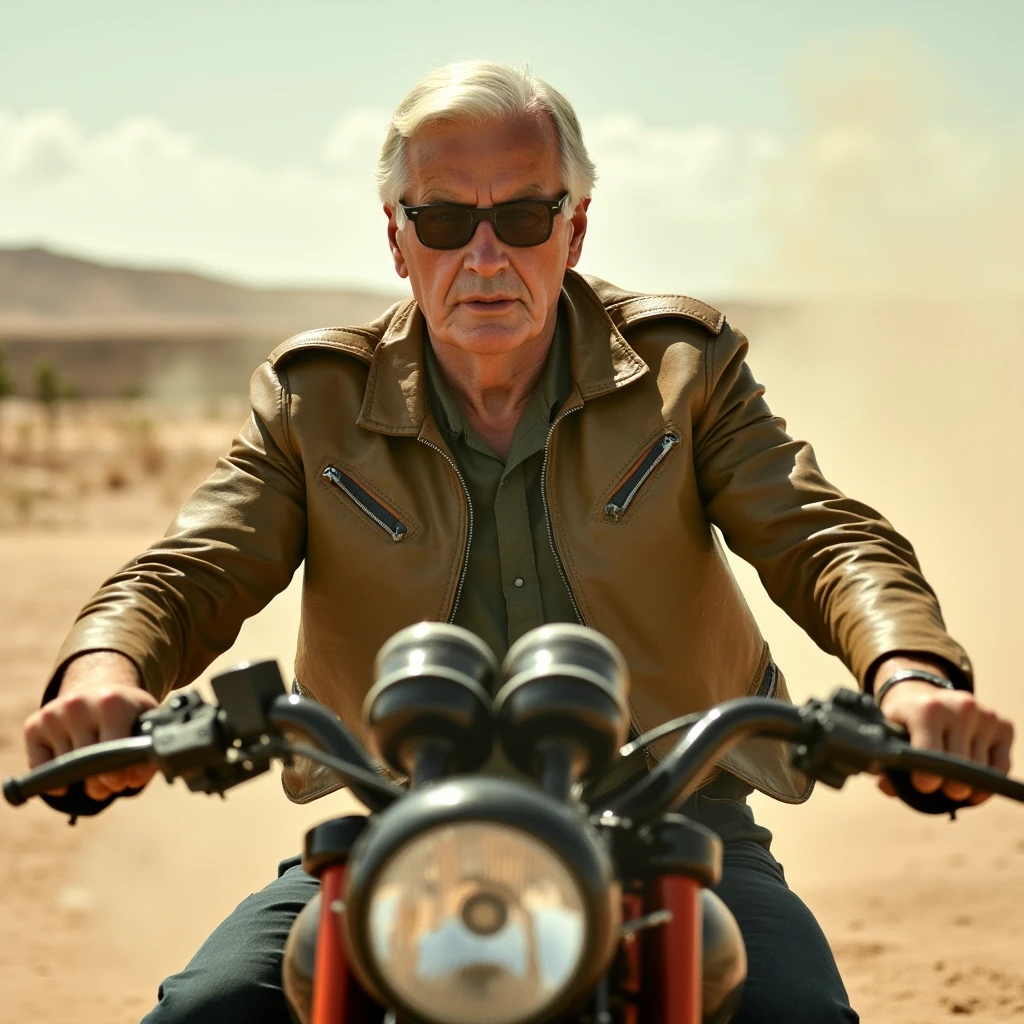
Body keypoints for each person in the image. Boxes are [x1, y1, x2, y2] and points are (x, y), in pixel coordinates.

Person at [22, 61, 1014, 1023]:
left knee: (788, 1009)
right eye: (445, 220)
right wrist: (101, 676)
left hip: (670, 820)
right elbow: (191, 567)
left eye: (524, 217)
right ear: (397, 238)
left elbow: (820, 535)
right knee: (210, 1008)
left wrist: (910, 677)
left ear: (574, 227)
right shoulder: (312, 399)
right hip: (400, 818)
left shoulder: (683, 369)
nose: (484, 257)